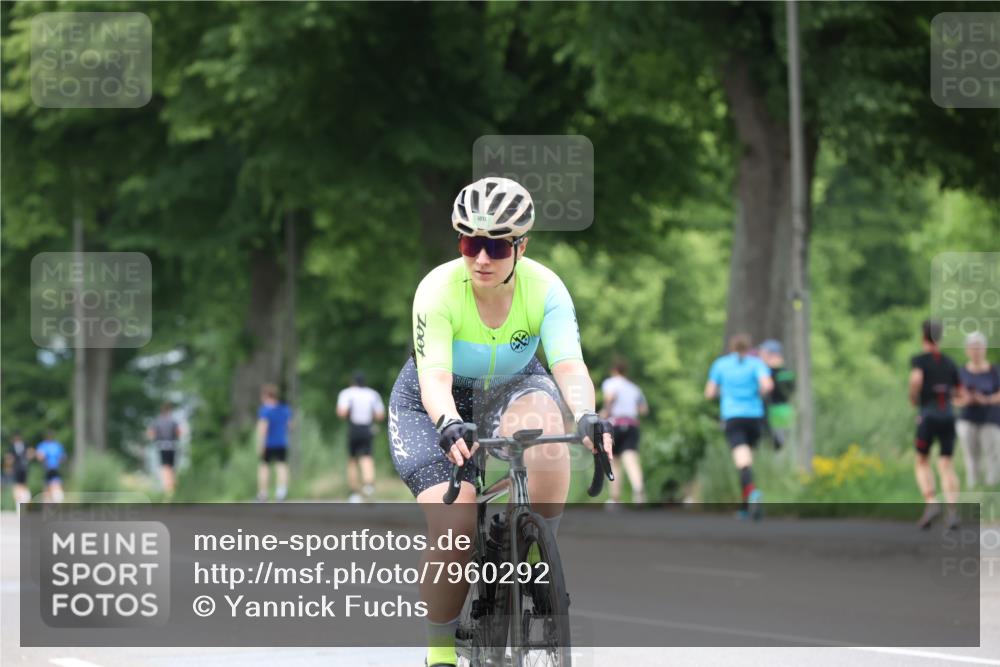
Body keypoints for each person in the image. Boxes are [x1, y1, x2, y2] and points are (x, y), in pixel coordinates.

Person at [387, 176, 613, 667]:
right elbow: (435, 379)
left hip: (514, 385)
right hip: (436, 405)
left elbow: (569, 366)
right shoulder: (437, 290)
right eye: (470, 243)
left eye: (494, 245)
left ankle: (535, 561)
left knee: (550, 447)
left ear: (521, 245)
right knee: (456, 525)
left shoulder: (546, 287)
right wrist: (447, 420)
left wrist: (589, 415)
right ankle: (440, 654)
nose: (481, 258)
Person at [704, 333, 773, 520]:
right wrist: (755, 392)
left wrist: (724, 391)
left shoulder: (721, 364)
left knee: (743, 464)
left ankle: (753, 494)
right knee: (747, 463)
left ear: (732, 347)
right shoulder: (756, 364)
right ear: (749, 347)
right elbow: (767, 385)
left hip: (733, 416)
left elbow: (709, 393)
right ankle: (745, 507)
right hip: (754, 417)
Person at [909, 319, 963, 530]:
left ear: (923, 337)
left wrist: (914, 398)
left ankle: (931, 501)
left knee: (922, 460)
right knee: (946, 464)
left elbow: (916, 380)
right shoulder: (949, 362)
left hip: (928, 414)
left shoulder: (919, 360)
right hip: (948, 415)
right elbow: (960, 393)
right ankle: (952, 512)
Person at [600, 359, 648, 505]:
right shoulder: (634, 388)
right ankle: (638, 488)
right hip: (632, 424)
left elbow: (610, 398)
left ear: (614, 370)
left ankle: (615, 498)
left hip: (615, 424)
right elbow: (643, 410)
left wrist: (605, 412)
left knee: (614, 462)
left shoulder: (610, 383)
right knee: (631, 459)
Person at [956, 331, 1000, 488]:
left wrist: (986, 399)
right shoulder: (961, 372)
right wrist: (966, 400)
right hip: (968, 419)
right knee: (971, 457)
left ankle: (992, 490)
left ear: (985, 349)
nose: (976, 351)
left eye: (979, 347)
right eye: (973, 347)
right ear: (967, 350)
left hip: (990, 419)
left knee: (993, 456)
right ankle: (974, 489)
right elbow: (954, 397)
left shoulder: (995, 371)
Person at [336, 371, 385, 502]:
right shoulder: (372, 394)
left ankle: (354, 492)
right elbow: (380, 415)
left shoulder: (347, 393)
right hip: (368, 427)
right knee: (367, 457)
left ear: (353, 382)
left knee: (352, 460)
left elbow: (341, 413)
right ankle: (368, 485)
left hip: (354, 428)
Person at [256, 383, 294, 502]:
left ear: (266, 396)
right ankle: (281, 493)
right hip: (282, 442)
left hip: (268, 443)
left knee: (264, 467)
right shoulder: (285, 409)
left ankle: (263, 494)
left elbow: (263, 429)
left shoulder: (265, 410)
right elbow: (290, 425)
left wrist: (260, 444)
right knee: (282, 466)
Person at [758, 339, 795, 450]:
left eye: (763, 353)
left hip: (773, 412)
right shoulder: (787, 371)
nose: (760, 356)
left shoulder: (768, 373)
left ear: (772, 354)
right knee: (783, 447)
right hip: (785, 411)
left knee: (775, 446)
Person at [147, 402, 185, 498]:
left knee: (165, 467)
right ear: (169, 411)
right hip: (172, 446)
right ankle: (172, 486)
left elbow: (151, 434)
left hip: (162, 447)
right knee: (171, 467)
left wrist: (155, 438)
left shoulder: (157, 421)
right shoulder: (173, 421)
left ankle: (168, 488)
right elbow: (180, 433)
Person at [35, 431, 66, 503]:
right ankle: (48, 504)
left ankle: (55, 502)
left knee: (55, 485)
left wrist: (60, 459)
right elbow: (39, 456)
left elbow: (62, 456)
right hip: (47, 468)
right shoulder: (43, 445)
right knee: (47, 487)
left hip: (55, 468)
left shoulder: (56, 445)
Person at [5, 432, 33, 506]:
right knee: (21, 486)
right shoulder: (17, 446)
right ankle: (22, 503)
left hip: (21, 468)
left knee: (19, 486)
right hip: (20, 468)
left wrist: (8, 467)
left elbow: (9, 458)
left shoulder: (17, 446)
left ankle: (23, 503)